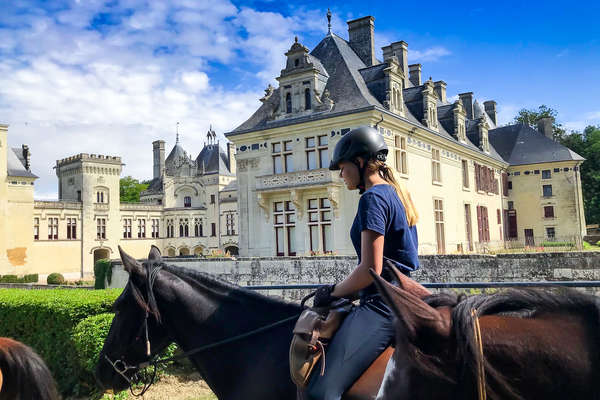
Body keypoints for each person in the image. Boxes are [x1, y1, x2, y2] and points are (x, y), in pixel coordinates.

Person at [306, 125, 420, 400]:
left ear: (360, 161)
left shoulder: (373, 198)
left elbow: (371, 271)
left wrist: (330, 292)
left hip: (383, 306)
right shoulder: (394, 194)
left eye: (343, 167)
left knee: (320, 392)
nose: (341, 175)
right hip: (405, 298)